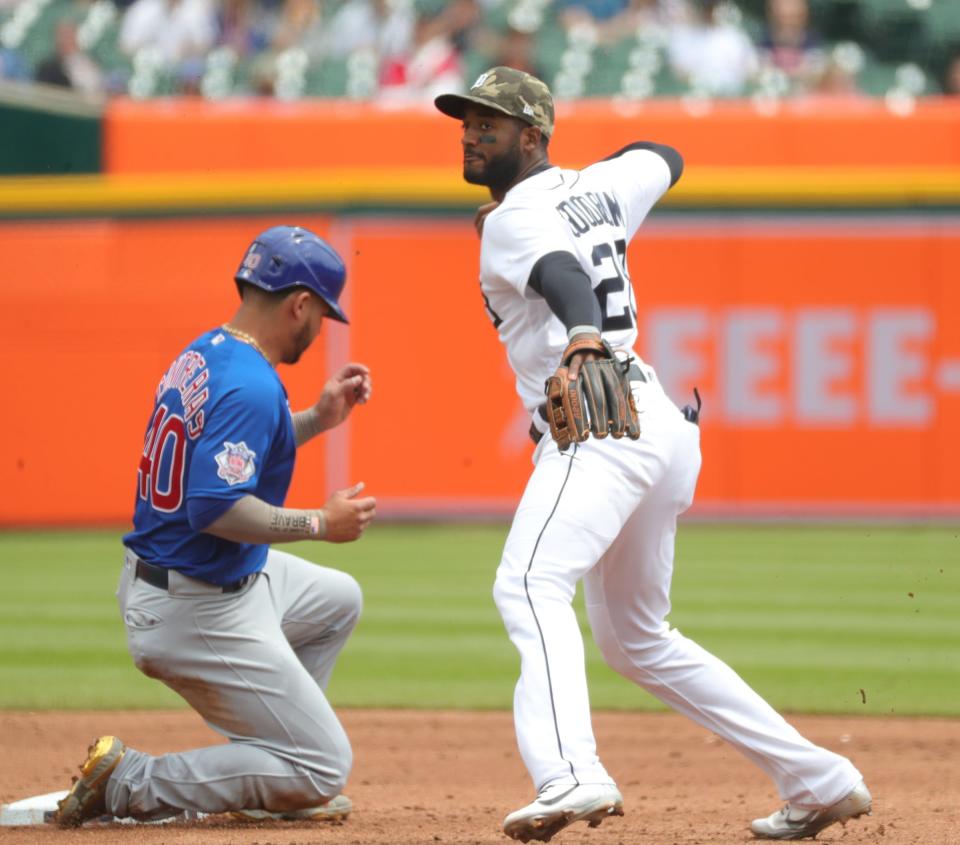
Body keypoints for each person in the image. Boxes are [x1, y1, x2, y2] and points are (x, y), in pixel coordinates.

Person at [433, 66, 872, 843]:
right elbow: (662, 153)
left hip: (598, 420)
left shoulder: (513, 222)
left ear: (530, 135)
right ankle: (819, 778)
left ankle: (571, 774)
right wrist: (590, 186)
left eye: (489, 124)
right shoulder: (603, 186)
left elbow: (565, 277)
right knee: (636, 638)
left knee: (529, 581)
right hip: (659, 424)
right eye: (466, 120)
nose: (470, 132)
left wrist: (580, 332)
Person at [55, 225, 377, 827]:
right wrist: (319, 522)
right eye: (321, 314)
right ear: (299, 304)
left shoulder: (208, 351)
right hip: (193, 604)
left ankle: (266, 775)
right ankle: (130, 783)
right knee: (324, 767)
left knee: (338, 599)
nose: (320, 328)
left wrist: (317, 418)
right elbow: (215, 507)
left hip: (198, 576)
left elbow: (228, 457)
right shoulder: (251, 384)